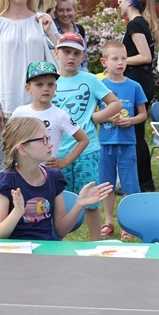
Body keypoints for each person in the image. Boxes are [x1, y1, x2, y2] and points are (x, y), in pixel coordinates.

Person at [0, 0, 58, 169]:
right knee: (8, 164)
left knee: (42, 163)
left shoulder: (41, 20)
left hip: (39, 103)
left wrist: (51, 32)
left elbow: (61, 58)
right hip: (8, 104)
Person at [0, 117, 112, 240]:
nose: (51, 144)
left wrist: (79, 204)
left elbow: (60, 231)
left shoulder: (54, 177)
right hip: (16, 250)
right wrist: (17, 212)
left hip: (47, 250)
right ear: (22, 149)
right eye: (43, 140)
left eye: (48, 138)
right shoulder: (5, 180)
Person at [51, 32, 121, 241]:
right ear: (56, 54)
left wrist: (96, 117)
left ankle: (95, 243)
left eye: (76, 53)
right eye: (66, 52)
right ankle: (56, 241)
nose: (71, 57)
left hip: (87, 151)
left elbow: (115, 103)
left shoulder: (90, 80)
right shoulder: (49, 81)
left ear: (83, 57)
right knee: (58, 200)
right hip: (56, 151)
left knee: (91, 200)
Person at [97, 40, 148, 239]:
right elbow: (93, 115)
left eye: (124, 58)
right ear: (104, 62)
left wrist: (130, 121)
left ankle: (129, 223)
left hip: (127, 143)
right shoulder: (100, 86)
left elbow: (143, 114)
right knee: (106, 184)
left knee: (129, 184)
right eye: (115, 59)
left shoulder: (134, 86)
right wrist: (106, 117)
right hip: (105, 143)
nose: (120, 62)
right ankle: (108, 221)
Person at [119, 0, 159, 192]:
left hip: (138, 81)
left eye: (120, 0)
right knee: (137, 134)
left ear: (129, 1)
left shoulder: (135, 24)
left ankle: (142, 182)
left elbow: (145, 56)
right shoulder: (141, 22)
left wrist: (120, 61)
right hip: (143, 80)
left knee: (135, 135)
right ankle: (143, 181)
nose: (119, 4)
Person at [11, 61, 88, 166]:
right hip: (22, 172)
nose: (46, 89)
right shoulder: (19, 113)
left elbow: (83, 139)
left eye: (50, 84)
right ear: (28, 88)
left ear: (55, 87)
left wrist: (65, 161)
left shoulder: (60, 115)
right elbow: (9, 140)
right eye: (39, 85)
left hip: (48, 172)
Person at [54, 0, 88, 71]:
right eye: (61, 10)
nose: (65, 14)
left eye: (68, 10)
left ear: (75, 10)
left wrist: (84, 74)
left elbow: (85, 59)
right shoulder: (51, 29)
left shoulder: (80, 30)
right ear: (55, 12)